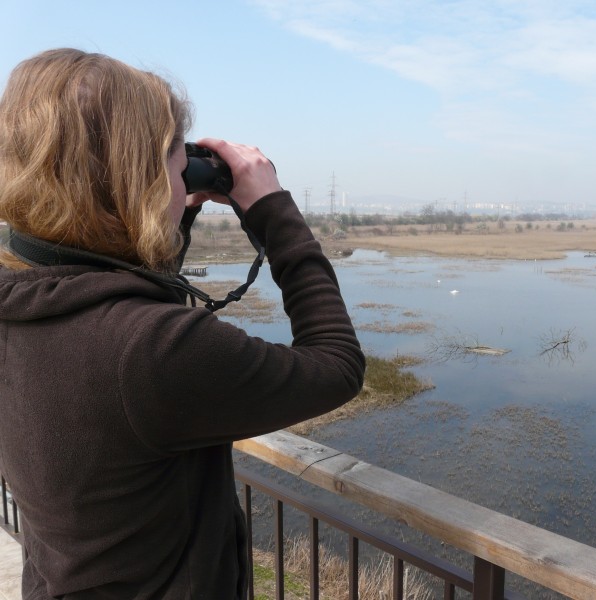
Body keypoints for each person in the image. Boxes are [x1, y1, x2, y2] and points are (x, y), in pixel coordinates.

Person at [0, 48, 365, 599]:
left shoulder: (21, 303)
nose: (182, 177)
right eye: (175, 164)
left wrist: (173, 212)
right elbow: (336, 366)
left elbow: (108, 291)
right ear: (140, 179)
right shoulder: (151, 352)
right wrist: (273, 210)